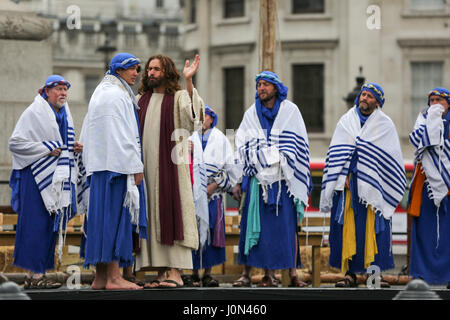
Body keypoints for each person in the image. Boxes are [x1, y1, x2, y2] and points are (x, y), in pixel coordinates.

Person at [320, 82, 406, 288]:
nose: (364, 98)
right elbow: (336, 153)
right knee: (348, 230)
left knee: (375, 232)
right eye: (363, 94)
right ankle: (349, 274)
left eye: (369, 96)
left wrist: (375, 178)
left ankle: (374, 276)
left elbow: (390, 159)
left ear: (377, 102)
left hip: (375, 190)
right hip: (349, 188)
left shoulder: (385, 125)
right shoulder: (345, 121)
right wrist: (342, 175)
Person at [232, 71, 312, 287]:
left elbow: (298, 143)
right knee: (252, 227)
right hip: (258, 181)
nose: (261, 88)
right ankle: (249, 274)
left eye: (266, 84)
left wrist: (274, 154)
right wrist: (262, 159)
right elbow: (242, 144)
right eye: (259, 85)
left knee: (285, 229)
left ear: (276, 88)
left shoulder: (290, 111)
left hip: (283, 181)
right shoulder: (251, 114)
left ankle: (292, 275)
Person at [135, 54, 204, 288]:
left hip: (171, 170)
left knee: (171, 211)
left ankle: (175, 272)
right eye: (149, 69)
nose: (151, 73)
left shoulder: (178, 97)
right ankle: (162, 271)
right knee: (152, 216)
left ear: (167, 72)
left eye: (156, 69)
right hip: (145, 170)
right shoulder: (140, 100)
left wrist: (189, 81)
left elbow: (193, 121)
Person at [80, 52, 147, 290]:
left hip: (98, 168)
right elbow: (125, 135)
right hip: (116, 169)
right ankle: (114, 277)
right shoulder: (117, 96)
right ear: (119, 69)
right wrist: (135, 166)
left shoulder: (99, 93)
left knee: (100, 221)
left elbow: (87, 131)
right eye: (132, 68)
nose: (136, 74)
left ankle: (100, 278)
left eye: (138, 69)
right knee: (115, 221)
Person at [9, 75, 82, 289]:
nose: (63, 93)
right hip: (34, 177)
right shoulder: (34, 112)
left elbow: (62, 144)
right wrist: (46, 148)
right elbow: (15, 143)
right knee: (34, 225)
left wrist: (72, 146)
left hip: (54, 181)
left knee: (48, 226)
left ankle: (35, 276)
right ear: (47, 91)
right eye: (58, 89)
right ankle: (36, 276)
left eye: (65, 89)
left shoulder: (63, 113)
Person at [186, 106, 238, 287]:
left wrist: (213, 186)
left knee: (212, 234)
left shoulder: (221, 140)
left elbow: (229, 168)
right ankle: (193, 273)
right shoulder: (188, 140)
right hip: (192, 196)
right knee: (192, 234)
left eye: (205, 116)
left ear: (211, 119)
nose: (201, 120)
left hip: (213, 197)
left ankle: (208, 274)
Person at [407, 87, 450, 288]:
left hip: (447, 188)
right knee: (423, 234)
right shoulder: (422, 121)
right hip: (424, 189)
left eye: (439, 100)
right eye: (431, 100)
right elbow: (419, 144)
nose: (435, 104)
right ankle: (420, 274)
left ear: (448, 105)